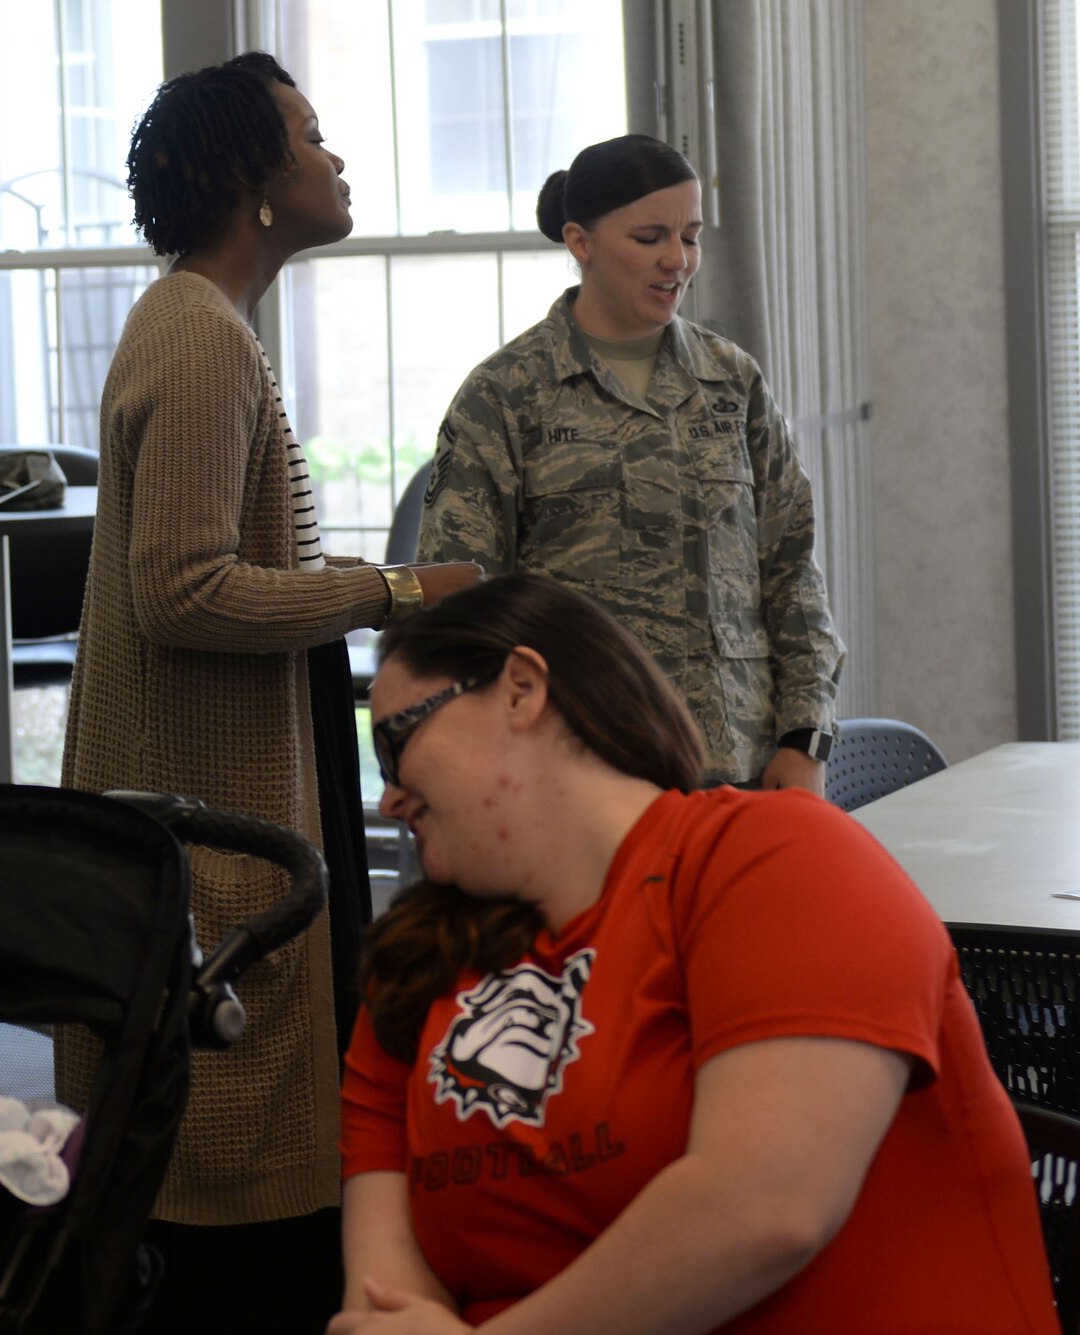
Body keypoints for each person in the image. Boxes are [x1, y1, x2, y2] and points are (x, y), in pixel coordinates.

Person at [333, 573, 1058, 1334]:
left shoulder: (772, 857)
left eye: (397, 740)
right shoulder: (414, 964)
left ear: (520, 689)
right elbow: (383, 1301)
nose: (389, 796)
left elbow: (767, 1203)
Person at [59, 52, 480, 1333]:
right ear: (250, 178)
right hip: (211, 842)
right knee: (223, 1219)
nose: (334, 158)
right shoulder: (196, 337)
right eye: (309, 135)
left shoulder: (203, 328)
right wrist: (397, 591)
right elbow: (181, 589)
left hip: (227, 812)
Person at [416, 134, 842, 792]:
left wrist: (805, 739)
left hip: (741, 772)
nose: (678, 261)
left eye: (691, 236)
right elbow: (462, 606)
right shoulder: (505, 396)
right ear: (580, 242)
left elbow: (791, 571)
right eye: (649, 238)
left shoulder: (732, 381)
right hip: (581, 777)